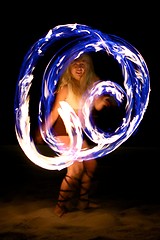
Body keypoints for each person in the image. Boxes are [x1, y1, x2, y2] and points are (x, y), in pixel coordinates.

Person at [35, 53, 119, 217]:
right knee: (75, 170)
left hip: (77, 133)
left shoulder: (89, 86)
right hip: (63, 132)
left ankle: (82, 201)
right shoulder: (66, 87)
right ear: (69, 67)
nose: (79, 67)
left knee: (90, 165)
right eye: (75, 64)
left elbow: (98, 104)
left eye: (83, 64)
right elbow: (54, 112)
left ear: (88, 67)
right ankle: (60, 207)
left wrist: (105, 101)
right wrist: (43, 130)